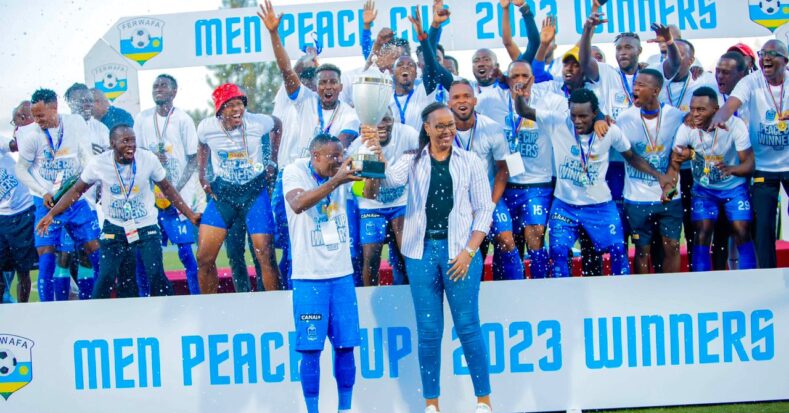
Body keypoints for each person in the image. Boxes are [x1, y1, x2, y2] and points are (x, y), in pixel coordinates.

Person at [384, 102, 494, 413]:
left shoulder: (470, 161)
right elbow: (389, 180)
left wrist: (469, 252)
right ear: (427, 128)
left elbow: (484, 210)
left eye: (451, 125)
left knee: (468, 326)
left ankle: (484, 401)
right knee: (429, 332)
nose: (447, 131)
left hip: (460, 253)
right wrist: (374, 150)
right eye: (440, 126)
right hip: (421, 254)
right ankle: (432, 404)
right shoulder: (412, 160)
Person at [513, 87, 675, 277]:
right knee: (558, 252)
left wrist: (658, 175)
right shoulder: (556, 122)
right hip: (565, 206)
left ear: (595, 113)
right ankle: (561, 293)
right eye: (573, 115)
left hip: (600, 206)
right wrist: (519, 98)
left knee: (618, 249)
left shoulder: (610, 131)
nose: (577, 121)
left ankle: (622, 293)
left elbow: (631, 156)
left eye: (583, 116)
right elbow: (524, 111)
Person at [261, 0, 361, 286]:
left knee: (330, 241)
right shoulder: (304, 100)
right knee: (289, 244)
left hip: (331, 180)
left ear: (341, 86)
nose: (327, 87)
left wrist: (324, 159)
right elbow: (286, 71)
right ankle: (291, 293)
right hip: (294, 177)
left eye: (332, 82)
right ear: (316, 86)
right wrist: (274, 35)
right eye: (323, 82)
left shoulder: (350, 114)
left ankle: (332, 288)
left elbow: (339, 145)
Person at [36, 124, 201, 298]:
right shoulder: (99, 163)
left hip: (146, 226)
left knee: (155, 274)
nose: (131, 145)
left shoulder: (148, 159)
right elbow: (77, 190)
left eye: (133, 140)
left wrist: (190, 214)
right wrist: (52, 214)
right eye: (125, 141)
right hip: (114, 227)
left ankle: (166, 310)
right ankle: (101, 312)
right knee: (107, 275)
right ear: (113, 143)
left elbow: (167, 188)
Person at [283, 132, 382, 413]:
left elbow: (371, 193)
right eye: (333, 156)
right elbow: (298, 204)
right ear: (315, 156)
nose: (339, 161)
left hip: (341, 276)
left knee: (345, 347)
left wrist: (376, 163)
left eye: (341, 155)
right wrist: (337, 180)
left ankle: (345, 409)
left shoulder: (342, 173)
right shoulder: (294, 171)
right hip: (308, 277)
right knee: (310, 350)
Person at [15, 89, 101, 301]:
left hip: (76, 198)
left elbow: (86, 156)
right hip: (46, 200)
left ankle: (100, 300)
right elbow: (20, 169)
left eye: (40, 115)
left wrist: (89, 183)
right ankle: (47, 307)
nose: (37, 120)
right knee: (47, 254)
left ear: (54, 108)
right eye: (34, 115)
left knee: (92, 249)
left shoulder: (75, 123)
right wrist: (42, 191)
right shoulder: (31, 135)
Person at [710, 39, 789, 269]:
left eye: (772, 54)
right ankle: (767, 276)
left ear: (785, 60)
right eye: (763, 53)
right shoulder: (750, 82)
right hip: (762, 167)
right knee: (762, 227)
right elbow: (731, 104)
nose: (766, 58)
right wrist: (719, 118)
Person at [196, 83, 281, 294]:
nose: (238, 110)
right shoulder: (207, 127)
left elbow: (278, 125)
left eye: (240, 104)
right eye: (231, 105)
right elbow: (202, 145)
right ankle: (209, 306)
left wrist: (272, 160)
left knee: (265, 254)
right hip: (224, 194)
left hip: (253, 192)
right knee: (204, 257)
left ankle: (275, 304)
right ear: (219, 110)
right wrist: (202, 174)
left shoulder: (257, 122)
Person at [672, 87, 757, 271]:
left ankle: (750, 279)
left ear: (716, 110)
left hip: (734, 188)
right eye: (692, 109)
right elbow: (675, 158)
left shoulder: (735, 125)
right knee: (702, 232)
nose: (695, 114)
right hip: (704, 190)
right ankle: (700, 281)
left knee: (742, 229)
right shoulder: (687, 127)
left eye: (701, 109)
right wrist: (686, 157)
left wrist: (732, 169)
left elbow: (749, 164)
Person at [447, 79, 524, 280]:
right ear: (449, 103)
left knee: (506, 240)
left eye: (466, 96)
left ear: (475, 100)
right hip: (455, 200)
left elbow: (503, 170)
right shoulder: (442, 130)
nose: (462, 101)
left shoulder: (491, 128)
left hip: (488, 197)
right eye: (456, 97)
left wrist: (488, 206)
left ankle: (514, 289)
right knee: (459, 247)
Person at [133, 74, 201, 295]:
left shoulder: (183, 119)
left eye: (163, 86)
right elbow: (136, 153)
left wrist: (175, 191)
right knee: (146, 254)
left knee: (186, 253)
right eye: (155, 86)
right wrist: (151, 157)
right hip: (149, 198)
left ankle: (197, 297)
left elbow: (193, 158)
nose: (158, 89)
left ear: (174, 91)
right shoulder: (142, 118)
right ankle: (149, 298)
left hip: (178, 196)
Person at [615, 69, 686, 273]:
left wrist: (687, 154)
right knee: (642, 250)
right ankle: (643, 291)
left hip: (670, 193)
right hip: (637, 197)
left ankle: (670, 290)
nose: (635, 89)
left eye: (641, 85)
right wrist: (658, 176)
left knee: (672, 246)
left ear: (655, 91)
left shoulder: (675, 116)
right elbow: (630, 156)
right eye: (634, 84)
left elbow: (685, 146)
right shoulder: (624, 118)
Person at [501, 61, 567, 278]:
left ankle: (541, 284)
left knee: (535, 235)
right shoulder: (496, 102)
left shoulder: (550, 101)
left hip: (538, 183)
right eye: (515, 76)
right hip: (507, 184)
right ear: (508, 80)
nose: (520, 81)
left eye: (525, 76)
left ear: (533, 79)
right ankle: (514, 287)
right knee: (510, 241)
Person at [347, 110, 417, 286]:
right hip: (371, 204)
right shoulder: (358, 147)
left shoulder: (408, 134)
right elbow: (369, 193)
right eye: (376, 120)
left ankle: (412, 294)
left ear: (393, 120)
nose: (381, 125)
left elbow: (420, 167)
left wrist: (381, 155)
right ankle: (368, 296)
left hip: (401, 200)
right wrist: (374, 157)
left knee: (407, 253)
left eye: (386, 119)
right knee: (370, 257)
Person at [711, 51, 749, 270]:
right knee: (720, 233)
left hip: (748, 172)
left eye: (726, 72)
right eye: (718, 71)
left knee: (745, 230)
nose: (720, 76)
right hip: (721, 177)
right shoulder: (712, 98)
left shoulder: (752, 96)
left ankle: (752, 275)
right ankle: (718, 279)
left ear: (741, 75)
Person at [0, 135, 36, 303]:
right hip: (1, 218)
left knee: (23, 270)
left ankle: (23, 308)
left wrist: (21, 136)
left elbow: (14, 145)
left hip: (23, 212)